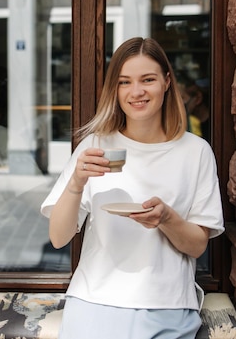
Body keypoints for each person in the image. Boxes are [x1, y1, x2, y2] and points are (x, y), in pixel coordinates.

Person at [40, 37, 224, 339]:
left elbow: (197, 245)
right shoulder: (95, 146)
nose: (136, 92)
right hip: (93, 299)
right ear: (115, 89)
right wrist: (76, 182)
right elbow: (59, 238)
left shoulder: (196, 151)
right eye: (125, 82)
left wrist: (166, 218)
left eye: (147, 80)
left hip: (167, 304)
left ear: (166, 82)